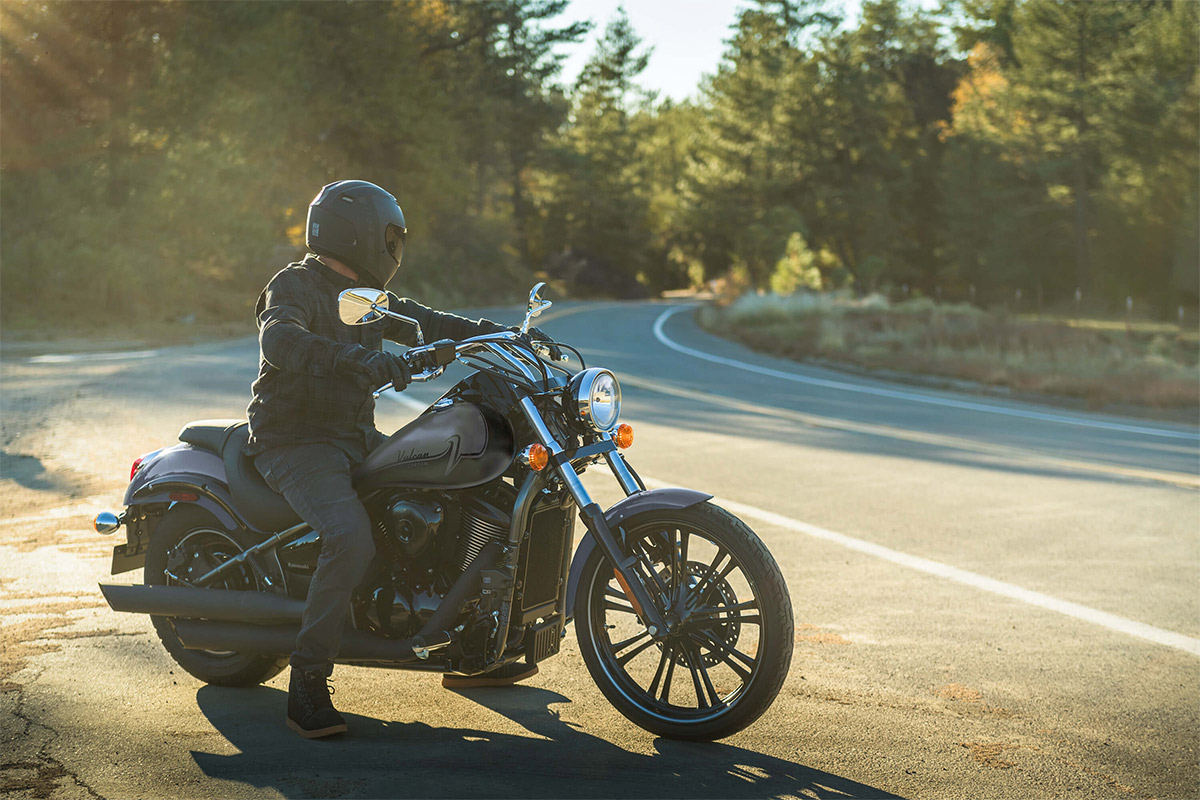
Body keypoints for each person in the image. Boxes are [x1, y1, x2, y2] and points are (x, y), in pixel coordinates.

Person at [246, 180, 538, 739]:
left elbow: (432, 323)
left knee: (450, 491)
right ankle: (306, 680)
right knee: (350, 535)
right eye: (391, 235)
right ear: (359, 234)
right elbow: (280, 341)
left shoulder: (370, 297)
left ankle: (474, 644)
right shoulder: (296, 283)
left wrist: (506, 337)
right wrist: (360, 362)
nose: (396, 246)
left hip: (352, 435)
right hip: (294, 440)